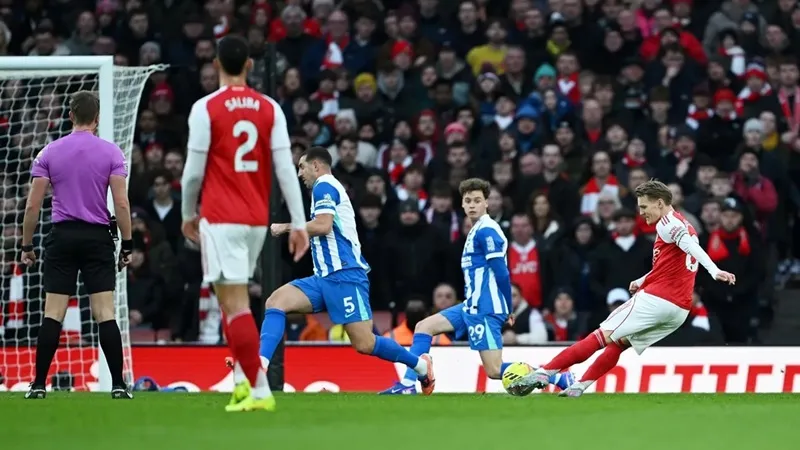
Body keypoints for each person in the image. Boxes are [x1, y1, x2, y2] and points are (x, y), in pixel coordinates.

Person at [180, 35, 309, 412]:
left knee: (235, 305)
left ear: (217, 65)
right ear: (249, 66)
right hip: (255, 220)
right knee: (228, 300)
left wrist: (188, 214)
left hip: (221, 218)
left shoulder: (206, 108)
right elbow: (286, 168)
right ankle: (239, 382)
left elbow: (191, 173)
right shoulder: (270, 108)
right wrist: (298, 222)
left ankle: (260, 390)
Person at [523, 180, 736, 397]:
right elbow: (673, 265)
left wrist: (714, 270)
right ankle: (579, 387)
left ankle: (544, 372)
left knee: (600, 336)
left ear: (660, 203)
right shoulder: (687, 226)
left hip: (658, 299)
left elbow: (693, 248)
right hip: (679, 310)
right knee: (620, 343)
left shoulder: (668, 223)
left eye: (644, 207)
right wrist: (644, 280)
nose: (641, 213)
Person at [262, 147, 434, 392]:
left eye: (302, 166)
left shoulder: (324, 185)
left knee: (364, 343)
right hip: (323, 277)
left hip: (345, 276)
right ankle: (261, 364)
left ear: (316, 166)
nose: (299, 173)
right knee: (275, 301)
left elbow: (323, 225)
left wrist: (287, 227)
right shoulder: (325, 189)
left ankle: (419, 366)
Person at [380, 178, 573, 395]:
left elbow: (501, 272)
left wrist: (508, 306)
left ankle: (558, 376)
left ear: (486, 203)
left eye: (477, 200)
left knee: (494, 369)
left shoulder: (487, 230)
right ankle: (408, 385)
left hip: (486, 309)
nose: (472, 205)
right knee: (424, 327)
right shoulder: (476, 229)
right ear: (462, 204)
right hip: (471, 306)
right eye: (468, 200)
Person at [22, 91, 133, 399]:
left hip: (62, 236)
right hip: (97, 237)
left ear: (70, 115)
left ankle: (38, 384)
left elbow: (32, 206)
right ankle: (119, 386)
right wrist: (127, 244)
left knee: (53, 312)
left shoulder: (49, 152)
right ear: (96, 118)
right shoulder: (111, 153)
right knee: (104, 312)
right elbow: (121, 204)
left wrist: (26, 245)